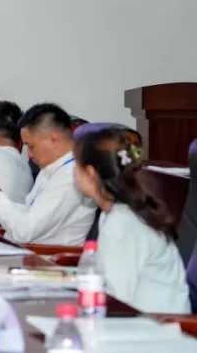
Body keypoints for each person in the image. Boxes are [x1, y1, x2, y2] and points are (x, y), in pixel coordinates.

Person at [71, 123, 189, 313]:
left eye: (75, 164)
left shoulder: (122, 223)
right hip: (138, 321)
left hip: (155, 327)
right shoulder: (116, 213)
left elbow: (117, 300)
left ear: (90, 173)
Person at [0, 103, 95, 246]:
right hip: (27, 251)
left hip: (46, 256)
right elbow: (30, 211)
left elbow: (24, 232)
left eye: (31, 146)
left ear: (54, 139)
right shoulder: (52, 168)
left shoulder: (70, 177)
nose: (29, 155)